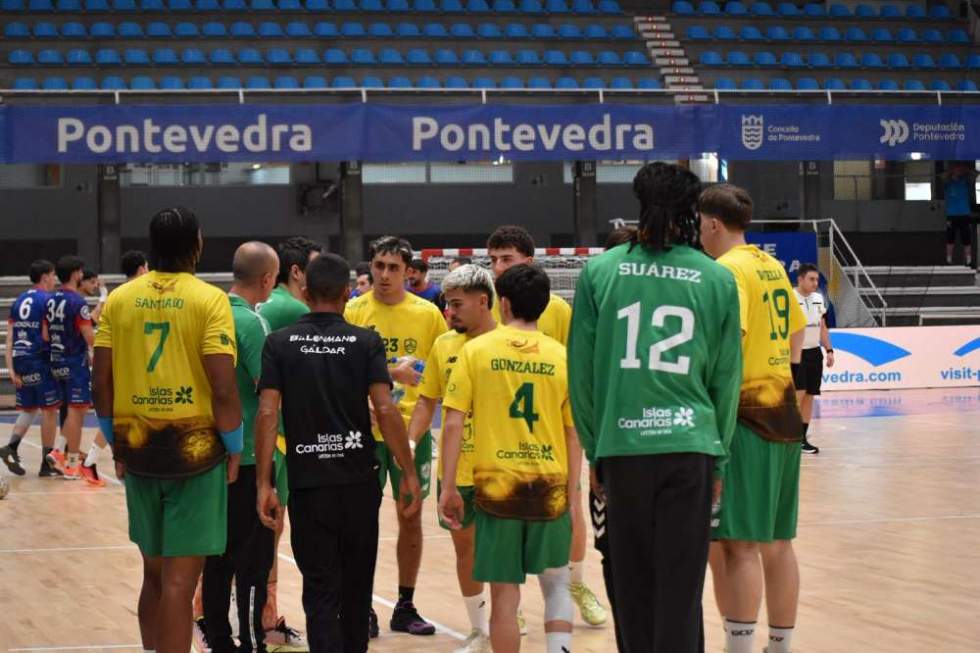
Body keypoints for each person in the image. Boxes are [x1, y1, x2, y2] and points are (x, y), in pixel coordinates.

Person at [568, 162, 743, 652]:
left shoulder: (600, 271)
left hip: (622, 448)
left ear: (640, 202)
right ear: (693, 210)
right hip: (691, 447)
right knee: (681, 590)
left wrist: (596, 448)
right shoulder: (715, 278)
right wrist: (721, 456)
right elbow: (726, 379)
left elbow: (581, 375)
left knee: (631, 583)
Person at [93, 207, 243, 653]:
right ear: (196, 245)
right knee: (181, 581)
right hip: (196, 455)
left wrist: (117, 442)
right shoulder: (209, 299)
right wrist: (234, 446)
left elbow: (101, 380)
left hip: (138, 449)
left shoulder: (119, 299)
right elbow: (223, 387)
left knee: (153, 573)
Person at [255, 253, 422, 653]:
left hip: (309, 484)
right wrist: (409, 471)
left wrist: (263, 482)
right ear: (348, 294)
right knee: (356, 591)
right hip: (358, 484)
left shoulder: (279, 343)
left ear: (306, 292)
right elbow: (385, 409)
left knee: (320, 593)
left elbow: (266, 411)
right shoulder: (365, 341)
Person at [439, 264, 581, 653]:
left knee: (505, 594)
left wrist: (449, 486)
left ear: (502, 303)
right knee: (556, 585)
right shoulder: (562, 357)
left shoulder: (476, 351)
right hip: (549, 484)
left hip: (496, 488)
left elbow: (452, 424)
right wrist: (572, 492)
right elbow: (573, 433)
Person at [699, 184, 808, 653]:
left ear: (712, 224)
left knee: (737, 543)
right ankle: (779, 647)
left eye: (699, 223)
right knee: (778, 542)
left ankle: (738, 648)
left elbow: (729, 349)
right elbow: (798, 336)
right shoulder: (770, 264)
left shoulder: (727, 271)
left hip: (745, 419)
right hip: (783, 412)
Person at [485, 225, 605, 628]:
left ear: (529, 262)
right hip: (499, 434)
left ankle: (575, 584)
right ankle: (510, 605)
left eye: (507, 259)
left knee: (570, 505)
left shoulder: (557, 309)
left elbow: (577, 367)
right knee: (499, 514)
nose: (498, 266)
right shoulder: (487, 307)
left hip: (553, 430)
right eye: (494, 259)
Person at [344, 235, 447, 637]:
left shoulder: (428, 316)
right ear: (371, 267)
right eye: (379, 266)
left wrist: (416, 432)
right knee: (360, 521)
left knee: (410, 517)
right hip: (364, 432)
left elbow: (437, 380)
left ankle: (404, 605)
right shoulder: (353, 310)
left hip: (411, 433)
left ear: (409, 271)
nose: (385, 275)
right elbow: (341, 370)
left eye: (393, 268)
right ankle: (361, 606)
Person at [405, 264, 497, 653]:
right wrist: (408, 446)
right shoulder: (444, 345)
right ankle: (479, 629)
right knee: (467, 550)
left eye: (457, 305)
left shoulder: (508, 342)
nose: (450, 312)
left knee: (507, 550)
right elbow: (427, 403)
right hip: (457, 469)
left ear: (484, 301)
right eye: (447, 305)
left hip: (502, 466)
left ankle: (511, 614)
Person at [202, 242, 280, 653]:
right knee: (252, 558)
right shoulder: (252, 323)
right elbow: (266, 389)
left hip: (210, 450)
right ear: (267, 279)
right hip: (249, 454)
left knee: (218, 555)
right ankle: (248, 642)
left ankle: (218, 638)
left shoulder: (208, 315)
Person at [256, 235, 321, 647]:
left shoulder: (267, 305)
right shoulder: (296, 310)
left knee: (261, 533)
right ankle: (266, 622)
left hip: (263, 434)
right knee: (272, 530)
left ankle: (255, 617)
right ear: (297, 272)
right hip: (280, 439)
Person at [0, 259, 61, 478]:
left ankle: (11, 448)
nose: (55, 280)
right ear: (45, 277)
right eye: (53, 275)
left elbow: (10, 339)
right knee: (50, 410)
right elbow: (46, 334)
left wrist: (12, 370)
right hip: (39, 359)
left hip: (20, 359)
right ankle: (47, 464)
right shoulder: (47, 300)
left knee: (30, 408)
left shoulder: (19, 301)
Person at [44, 256, 96, 479]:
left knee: (74, 411)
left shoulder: (50, 299)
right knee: (77, 413)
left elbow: (45, 334)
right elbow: (89, 336)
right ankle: (70, 462)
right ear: (76, 274)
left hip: (56, 361)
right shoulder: (77, 302)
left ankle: (60, 453)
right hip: (74, 363)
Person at [793, 263, 834, 455]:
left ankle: (802, 439)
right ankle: (789, 437)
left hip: (814, 353)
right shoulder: (790, 297)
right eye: (811, 279)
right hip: (796, 353)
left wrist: (829, 349)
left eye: (817, 279)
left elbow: (823, 327)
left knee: (809, 395)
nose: (815, 283)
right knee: (797, 395)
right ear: (800, 279)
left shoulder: (818, 298)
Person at [943, 162, 977, 267]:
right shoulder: (948, 183)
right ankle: (948, 260)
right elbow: (943, 176)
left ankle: (968, 260)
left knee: (966, 238)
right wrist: (952, 171)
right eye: (956, 169)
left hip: (964, 214)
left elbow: (975, 174)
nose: (958, 171)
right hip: (952, 215)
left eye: (959, 170)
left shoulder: (965, 182)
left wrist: (964, 170)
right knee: (950, 238)